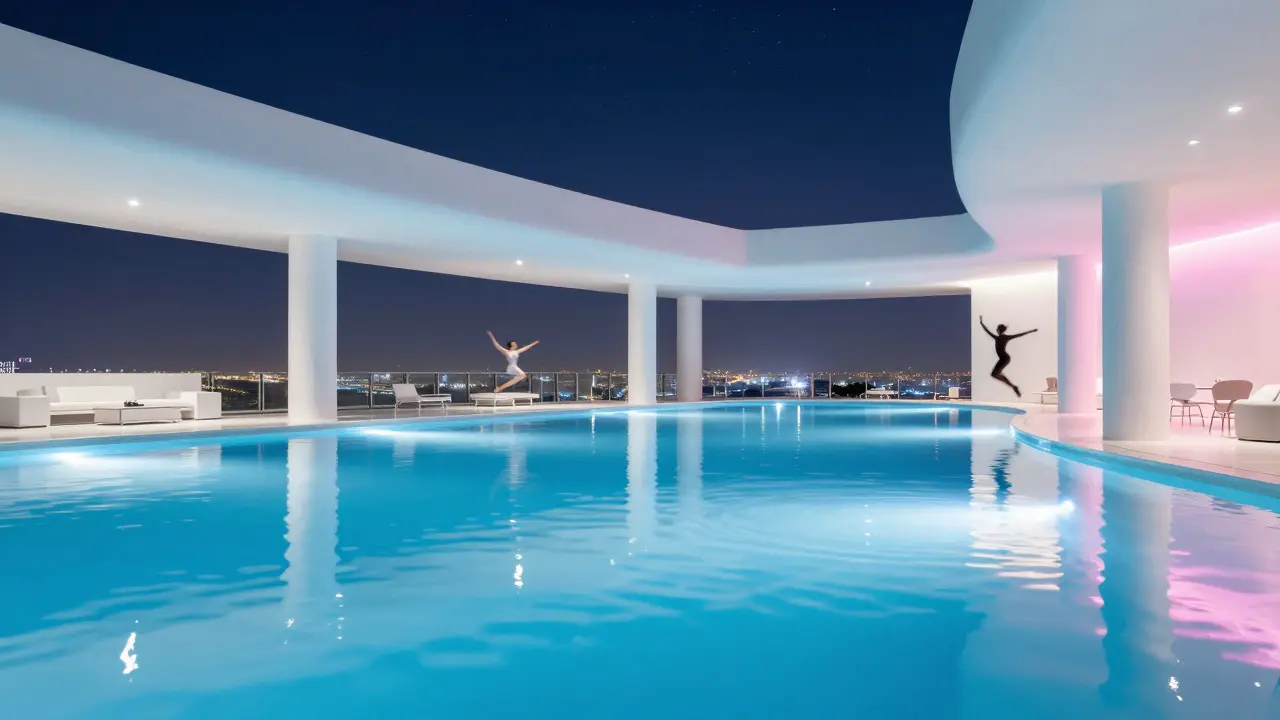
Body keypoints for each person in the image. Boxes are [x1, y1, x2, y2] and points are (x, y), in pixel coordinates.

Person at [979, 316, 1037, 398]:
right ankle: (1013, 386)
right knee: (995, 374)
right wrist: (981, 323)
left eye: (997, 329)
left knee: (994, 374)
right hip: (1004, 358)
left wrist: (981, 323)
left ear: (999, 330)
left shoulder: (999, 338)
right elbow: (1020, 335)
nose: (997, 330)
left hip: (1004, 358)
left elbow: (1019, 335)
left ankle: (1013, 386)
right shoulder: (1000, 337)